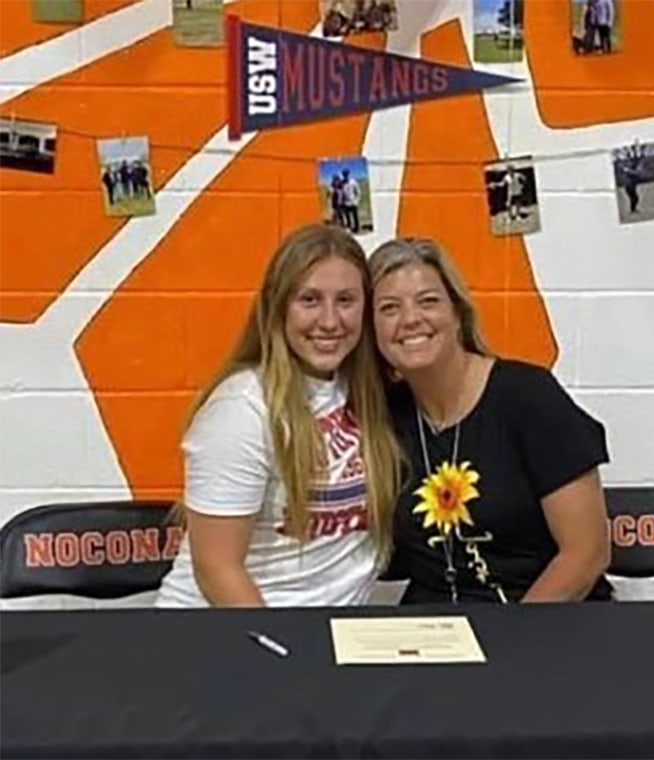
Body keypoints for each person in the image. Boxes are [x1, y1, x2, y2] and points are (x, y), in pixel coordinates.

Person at [155, 223, 401, 607]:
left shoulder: (367, 392)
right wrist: (282, 656)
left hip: (328, 633)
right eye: (309, 299)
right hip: (237, 629)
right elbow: (217, 569)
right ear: (278, 307)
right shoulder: (242, 409)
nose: (330, 320)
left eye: (347, 300)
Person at [369, 237, 612, 604]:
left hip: (544, 620)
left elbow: (586, 554)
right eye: (389, 308)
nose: (410, 319)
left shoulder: (529, 397)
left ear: (458, 314)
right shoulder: (381, 416)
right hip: (435, 629)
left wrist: (512, 642)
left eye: (428, 301)